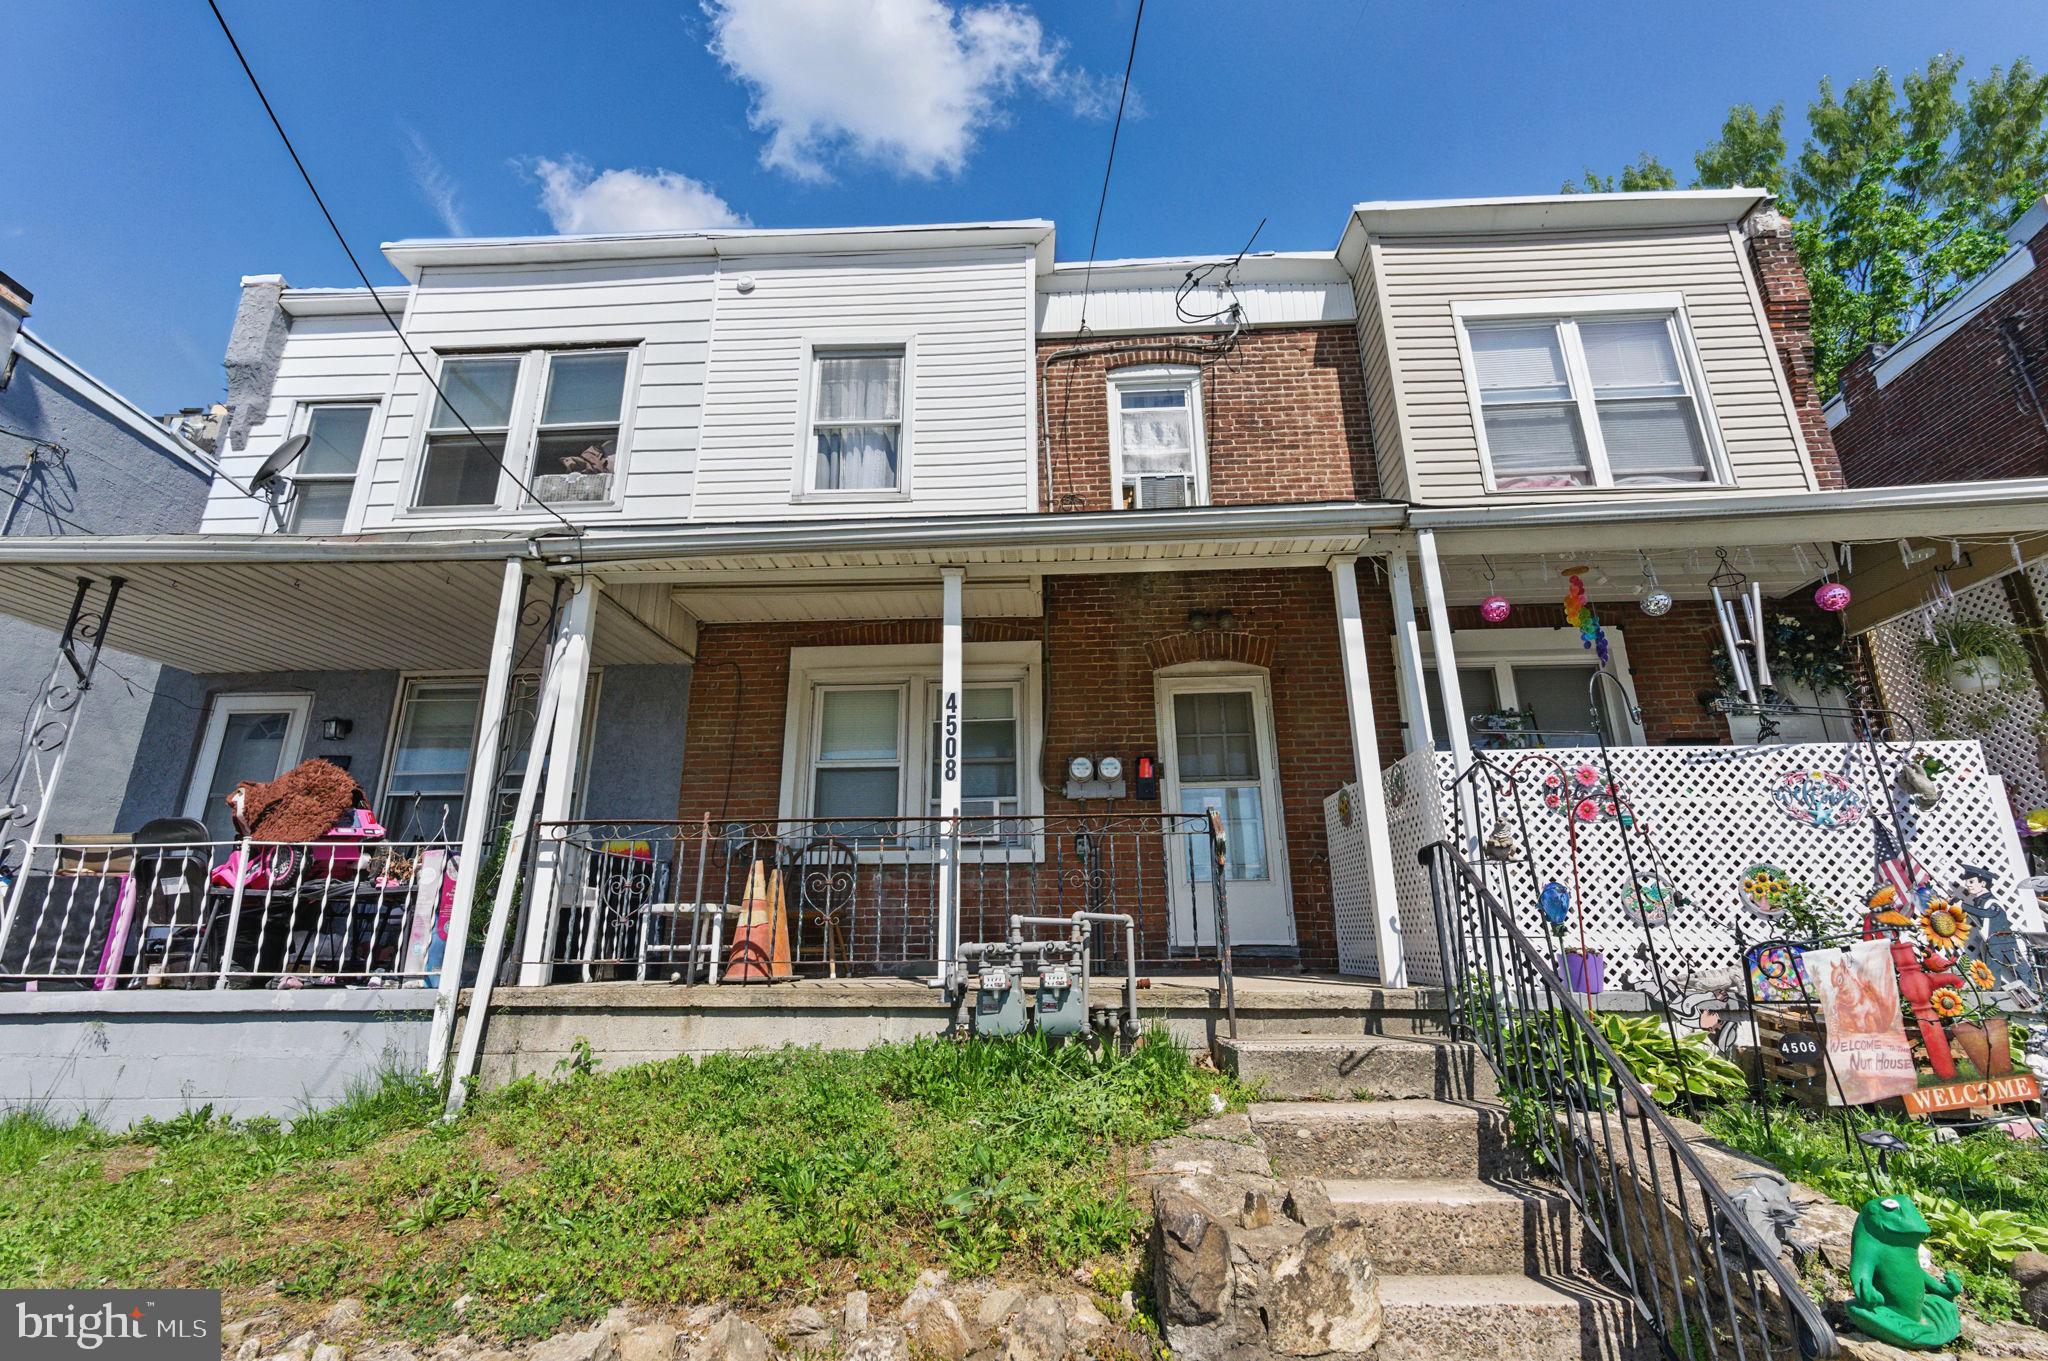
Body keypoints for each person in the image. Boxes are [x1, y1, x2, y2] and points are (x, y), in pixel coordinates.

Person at [1956, 865, 2036, 990]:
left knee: (2020, 966)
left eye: (1971, 881)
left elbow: (1987, 913)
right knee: (1992, 968)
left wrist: (1965, 907)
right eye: (1966, 882)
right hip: (1993, 941)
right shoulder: (1979, 901)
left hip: (2005, 940)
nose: (1968, 885)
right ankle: (1994, 992)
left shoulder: (1992, 901)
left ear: (1983, 883)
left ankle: (2033, 989)